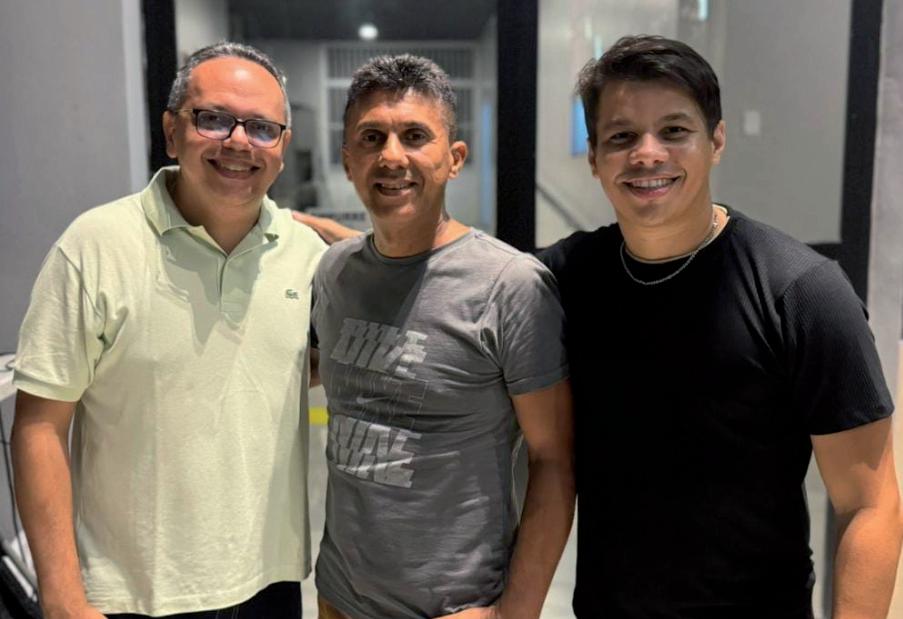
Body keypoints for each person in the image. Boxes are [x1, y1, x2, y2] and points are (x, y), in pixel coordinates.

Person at [538, 35, 902, 617]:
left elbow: (870, 505)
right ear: (594, 157)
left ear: (717, 141)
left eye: (674, 131)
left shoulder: (802, 293)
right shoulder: (565, 278)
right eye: (622, 137)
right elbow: (464, 282)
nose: (647, 154)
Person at [11, 42, 324, 618]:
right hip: (134, 591)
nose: (238, 142)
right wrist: (62, 598)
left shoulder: (307, 256)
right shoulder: (95, 246)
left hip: (271, 582)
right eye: (214, 119)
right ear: (171, 132)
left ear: (282, 148)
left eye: (262, 128)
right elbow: (39, 426)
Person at [310, 54, 575, 619]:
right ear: (349, 160)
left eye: (414, 136)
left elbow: (553, 458)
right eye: (371, 138)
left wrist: (513, 614)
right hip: (338, 596)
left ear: (454, 158)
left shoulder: (509, 286)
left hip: (454, 606)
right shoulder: (334, 272)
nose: (391, 156)